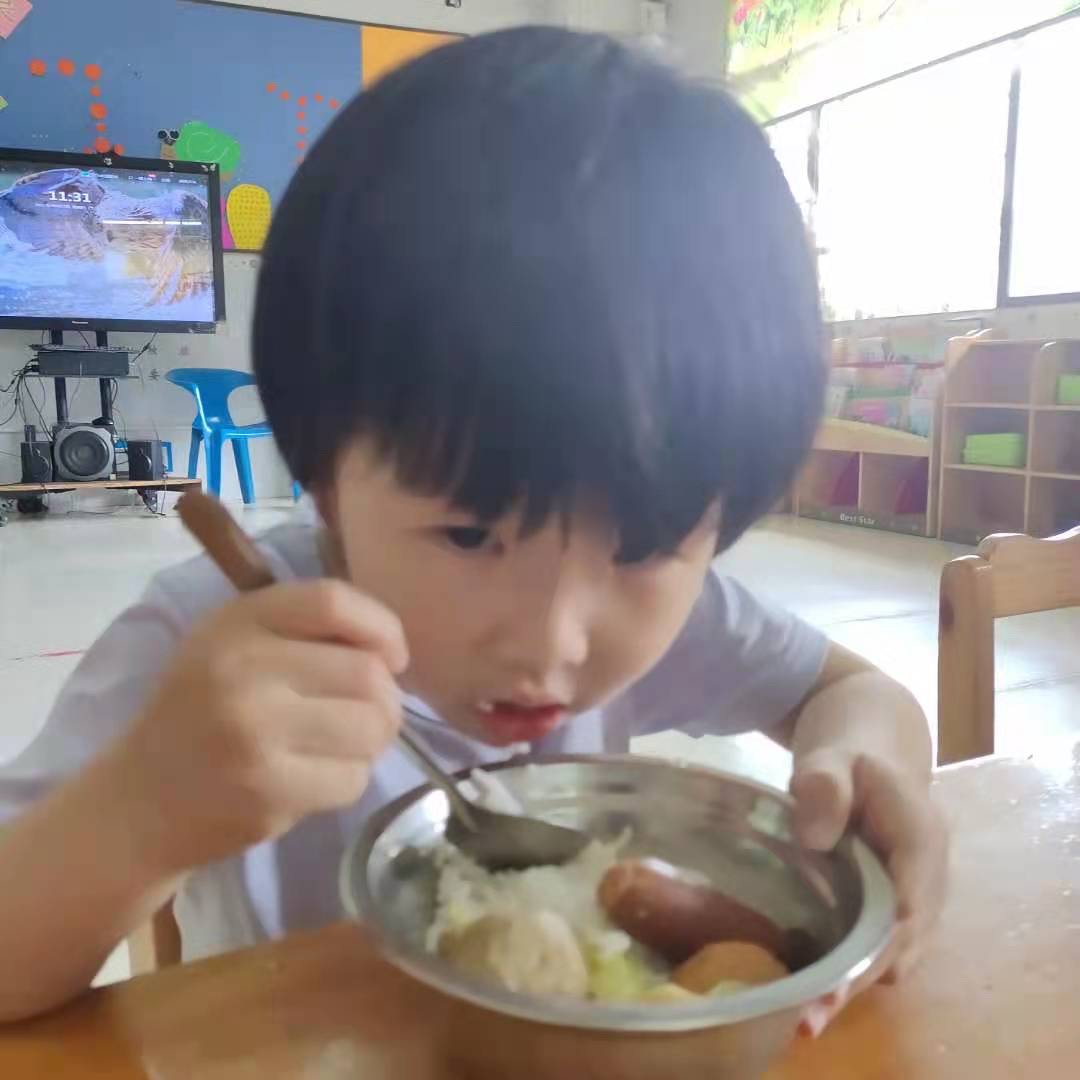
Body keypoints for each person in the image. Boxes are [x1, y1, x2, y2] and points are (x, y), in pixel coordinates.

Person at [0, 27, 945, 1027]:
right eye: (467, 536)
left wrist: (868, 770)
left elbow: (853, 693)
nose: (548, 643)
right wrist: (145, 807)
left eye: (639, 548)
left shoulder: (676, 618)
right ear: (325, 480)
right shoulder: (206, 653)